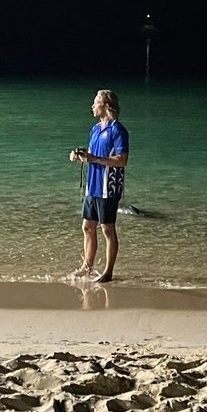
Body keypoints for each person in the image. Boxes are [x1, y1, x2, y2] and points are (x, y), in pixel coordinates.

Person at [68, 88, 129, 282]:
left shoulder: (118, 130)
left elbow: (121, 160)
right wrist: (81, 156)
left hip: (108, 187)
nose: (92, 106)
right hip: (92, 186)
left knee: (107, 229)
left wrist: (94, 158)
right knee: (87, 226)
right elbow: (94, 154)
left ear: (106, 106)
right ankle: (87, 266)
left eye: (96, 102)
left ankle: (108, 272)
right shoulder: (95, 129)